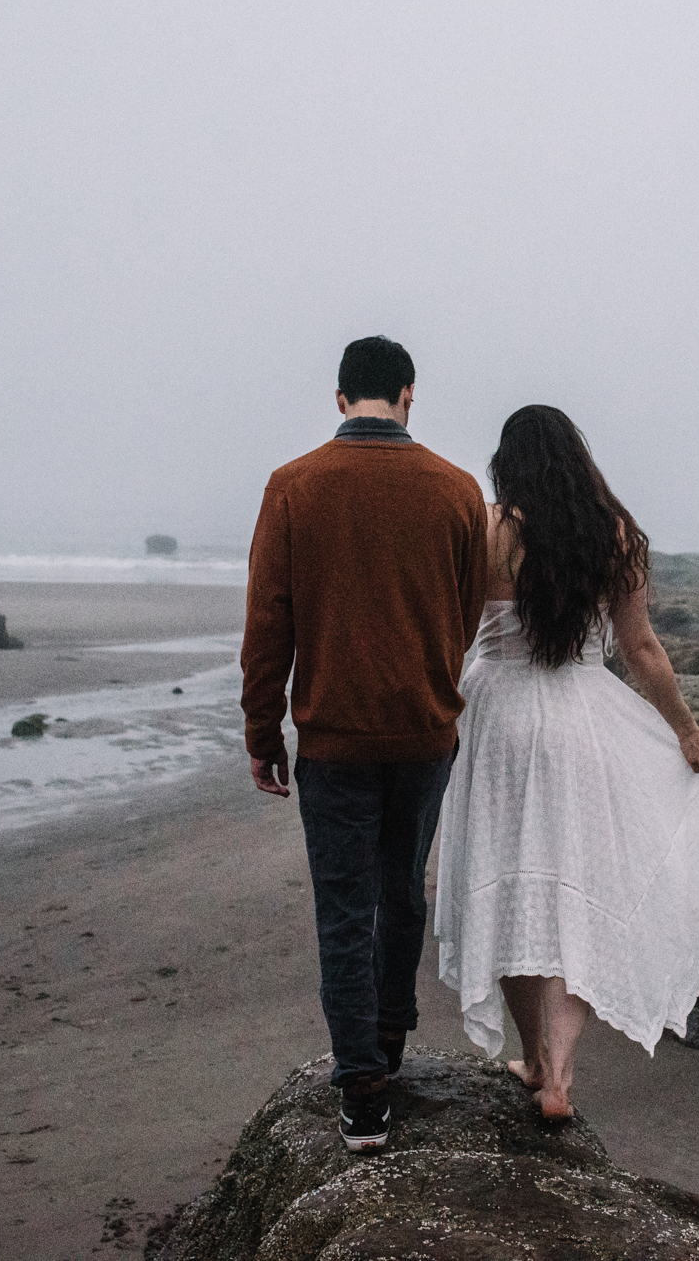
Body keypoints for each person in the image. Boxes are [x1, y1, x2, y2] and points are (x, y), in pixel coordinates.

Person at [433, 404, 699, 1121]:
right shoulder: (615, 534)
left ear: (507, 462)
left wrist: (427, 714)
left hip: (499, 717)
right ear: (577, 456)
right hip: (582, 715)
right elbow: (640, 650)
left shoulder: (485, 528)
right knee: (574, 885)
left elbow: (453, 640)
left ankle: (534, 1057)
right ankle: (561, 1076)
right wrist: (687, 731)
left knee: (508, 884)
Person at [239, 335, 488, 1153]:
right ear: (408, 394)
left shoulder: (293, 486)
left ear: (341, 398)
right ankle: (388, 1045)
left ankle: (363, 1092)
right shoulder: (457, 491)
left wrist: (261, 727)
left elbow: (268, 622)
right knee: (402, 891)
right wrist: (429, 686)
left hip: (335, 737)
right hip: (424, 731)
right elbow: (466, 614)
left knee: (345, 909)